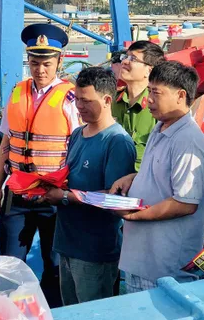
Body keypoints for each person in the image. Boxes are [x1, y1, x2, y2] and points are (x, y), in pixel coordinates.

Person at [0, 23, 81, 308]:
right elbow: (6, 143)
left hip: (52, 196)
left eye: (47, 63)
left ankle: (51, 311)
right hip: (16, 195)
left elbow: (77, 147)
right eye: (35, 62)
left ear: (59, 62)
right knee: (10, 264)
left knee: (54, 265)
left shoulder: (70, 98)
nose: (40, 70)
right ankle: (13, 312)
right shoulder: (17, 92)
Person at [110, 61, 204, 292]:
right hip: (141, 257)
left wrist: (135, 216)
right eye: (150, 91)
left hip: (164, 265)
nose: (150, 99)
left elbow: (185, 203)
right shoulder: (160, 128)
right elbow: (159, 175)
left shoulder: (187, 139)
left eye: (156, 92)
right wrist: (133, 178)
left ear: (180, 95)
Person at [40, 67, 136, 305]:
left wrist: (64, 196)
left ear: (106, 100)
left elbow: (113, 197)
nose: (79, 106)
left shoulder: (117, 142)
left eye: (85, 101)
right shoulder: (77, 134)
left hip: (94, 250)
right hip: (66, 243)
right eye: (77, 99)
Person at [110, 41, 165, 170]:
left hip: (145, 184)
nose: (124, 62)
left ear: (149, 70)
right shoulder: (111, 102)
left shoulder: (160, 106)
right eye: (125, 57)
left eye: (133, 59)